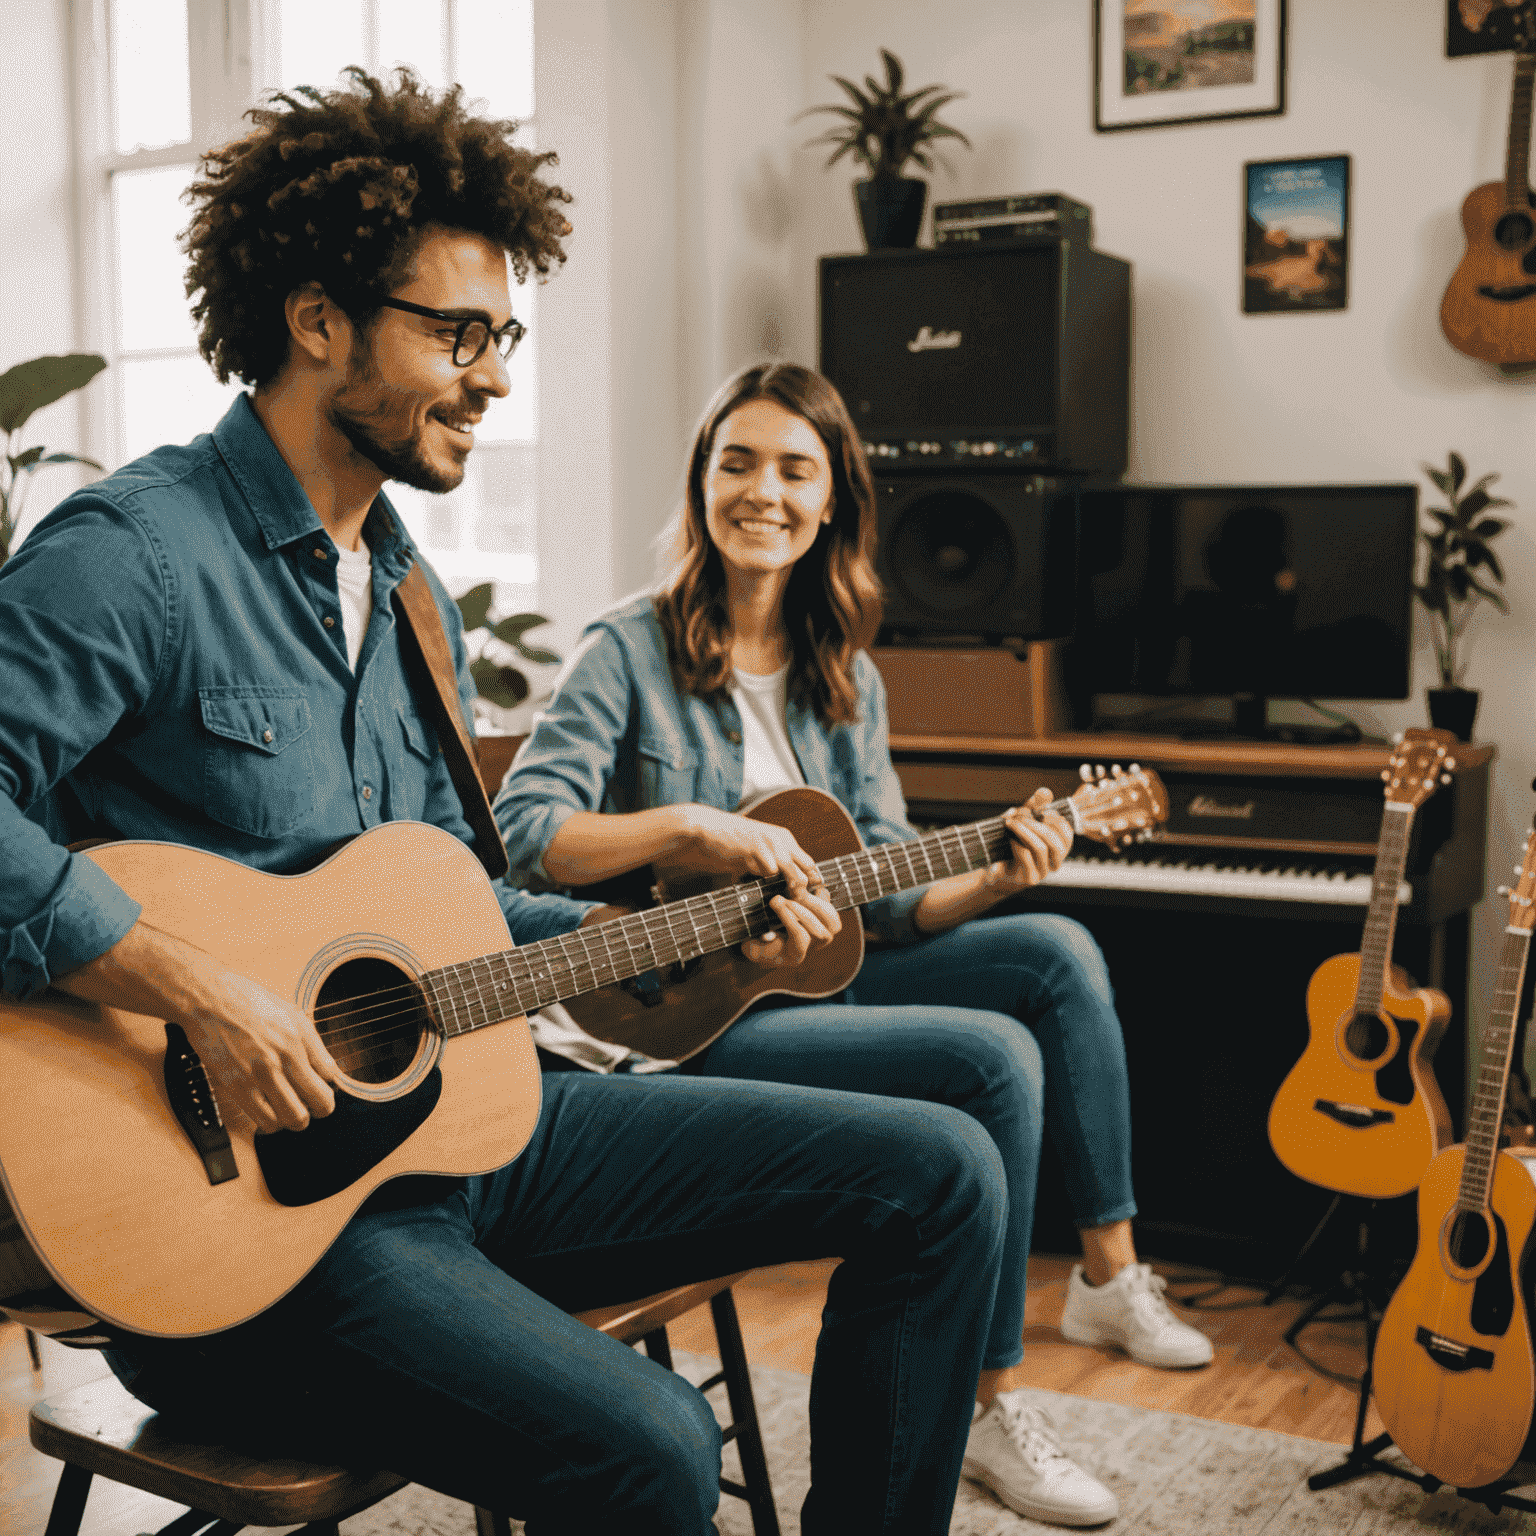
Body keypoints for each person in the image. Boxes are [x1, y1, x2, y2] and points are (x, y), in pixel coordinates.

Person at [0, 71, 1012, 1535]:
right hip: (239, 1236)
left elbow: (460, 918)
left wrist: (707, 937)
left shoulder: (408, 595)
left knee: (945, 1169)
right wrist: (200, 991)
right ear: (317, 320)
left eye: (504, 334)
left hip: (460, 1142)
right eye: (457, 333)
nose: (493, 374)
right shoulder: (138, 555)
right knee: (657, 1449)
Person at [496, 361, 1216, 1528]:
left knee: (1057, 950)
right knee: (990, 1059)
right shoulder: (625, 650)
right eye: (738, 462)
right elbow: (527, 835)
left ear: (831, 501)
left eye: (795, 469)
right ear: (702, 481)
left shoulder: (847, 673)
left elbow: (889, 900)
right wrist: (691, 826)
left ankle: (1105, 1279)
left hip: (825, 966)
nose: (763, 491)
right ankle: (986, 1399)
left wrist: (992, 870)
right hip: (693, 1008)